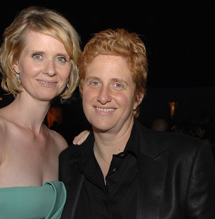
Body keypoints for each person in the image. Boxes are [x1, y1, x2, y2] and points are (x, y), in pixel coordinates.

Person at [59, 29, 215, 219]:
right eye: (94, 83)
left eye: (117, 85)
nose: (103, 96)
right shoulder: (68, 162)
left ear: (138, 96)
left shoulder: (186, 161)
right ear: (82, 89)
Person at [0, 6, 81, 219]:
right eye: (38, 56)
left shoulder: (59, 144)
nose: (50, 69)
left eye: (61, 58)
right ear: (15, 63)